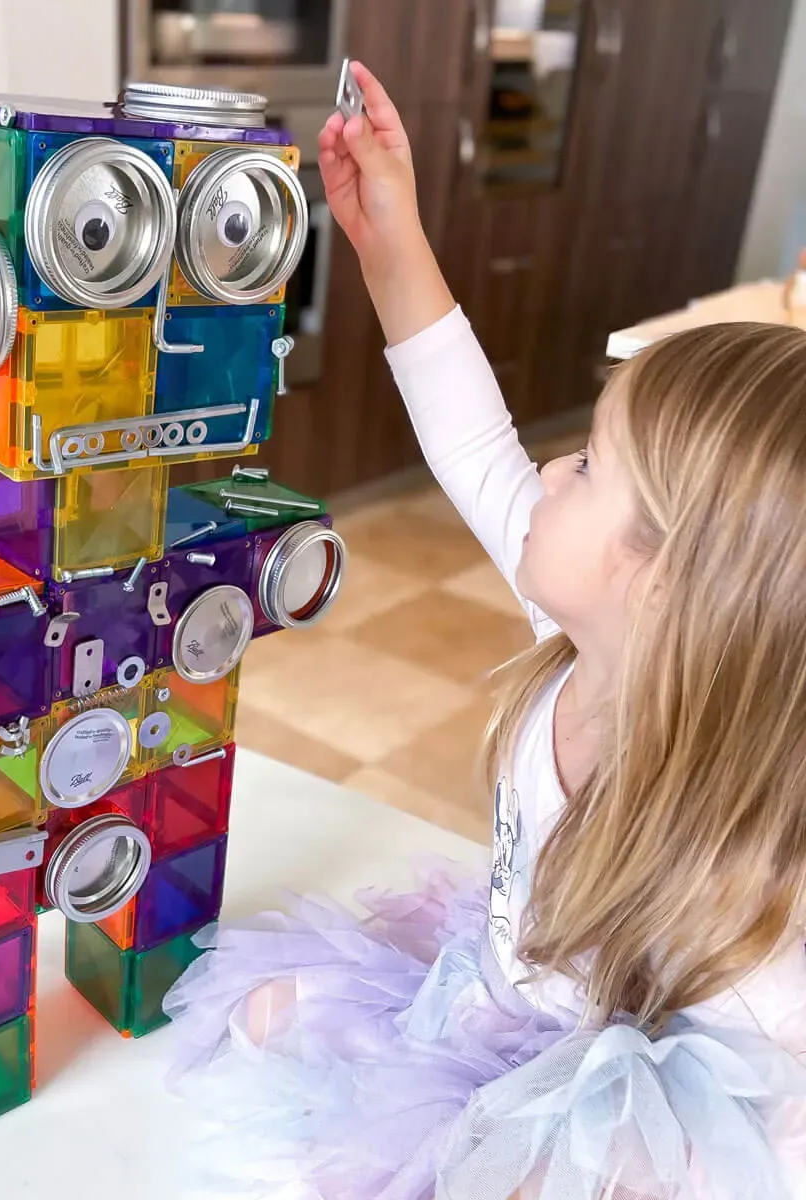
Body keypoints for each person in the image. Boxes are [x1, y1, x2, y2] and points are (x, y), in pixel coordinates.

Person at [163, 62, 806, 1199]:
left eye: (591, 467)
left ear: (664, 585)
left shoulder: (752, 863)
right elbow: (470, 440)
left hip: (584, 1107)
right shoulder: (589, 635)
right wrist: (388, 235)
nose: (549, 469)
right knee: (260, 1014)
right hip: (481, 991)